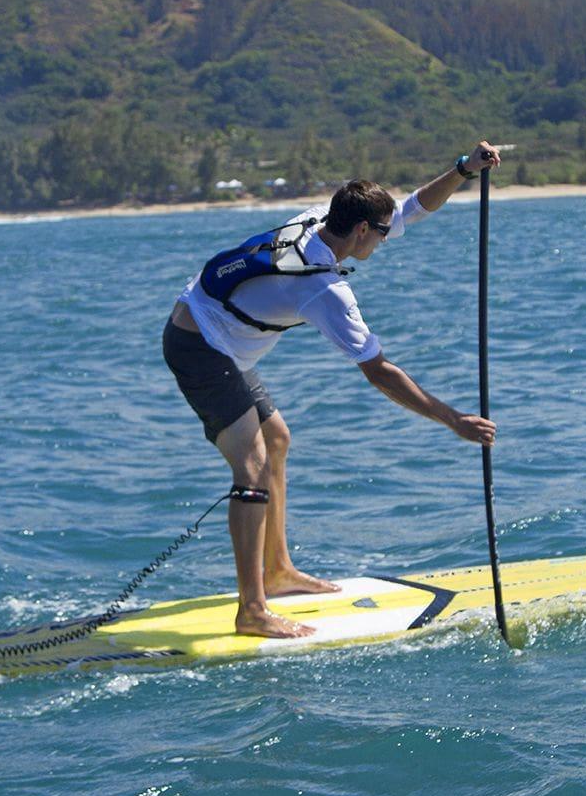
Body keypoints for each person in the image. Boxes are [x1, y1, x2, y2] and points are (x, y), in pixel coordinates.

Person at [164, 142, 501, 638]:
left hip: (217, 336)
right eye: (381, 234)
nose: (386, 241)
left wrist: (462, 171)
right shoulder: (323, 289)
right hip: (200, 347)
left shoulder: (322, 217)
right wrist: (453, 419)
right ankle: (252, 610)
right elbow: (379, 371)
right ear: (361, 228)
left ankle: (278, 573)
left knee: (276, 439)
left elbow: (409, 208)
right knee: (252, 467)